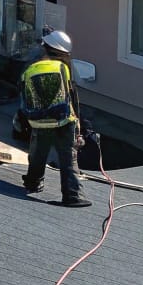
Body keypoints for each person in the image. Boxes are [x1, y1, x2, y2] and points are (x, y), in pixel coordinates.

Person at [19, 30, 92, 208]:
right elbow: (72, 97)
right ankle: (73, 196)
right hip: (64, 120)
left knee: (38, 154)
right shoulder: (64, 68)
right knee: (68, 158)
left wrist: (24, 122)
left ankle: (33, 183)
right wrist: (80, 127)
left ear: (46, 47)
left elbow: (25, 98)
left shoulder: (31, 69)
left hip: (39, 121)